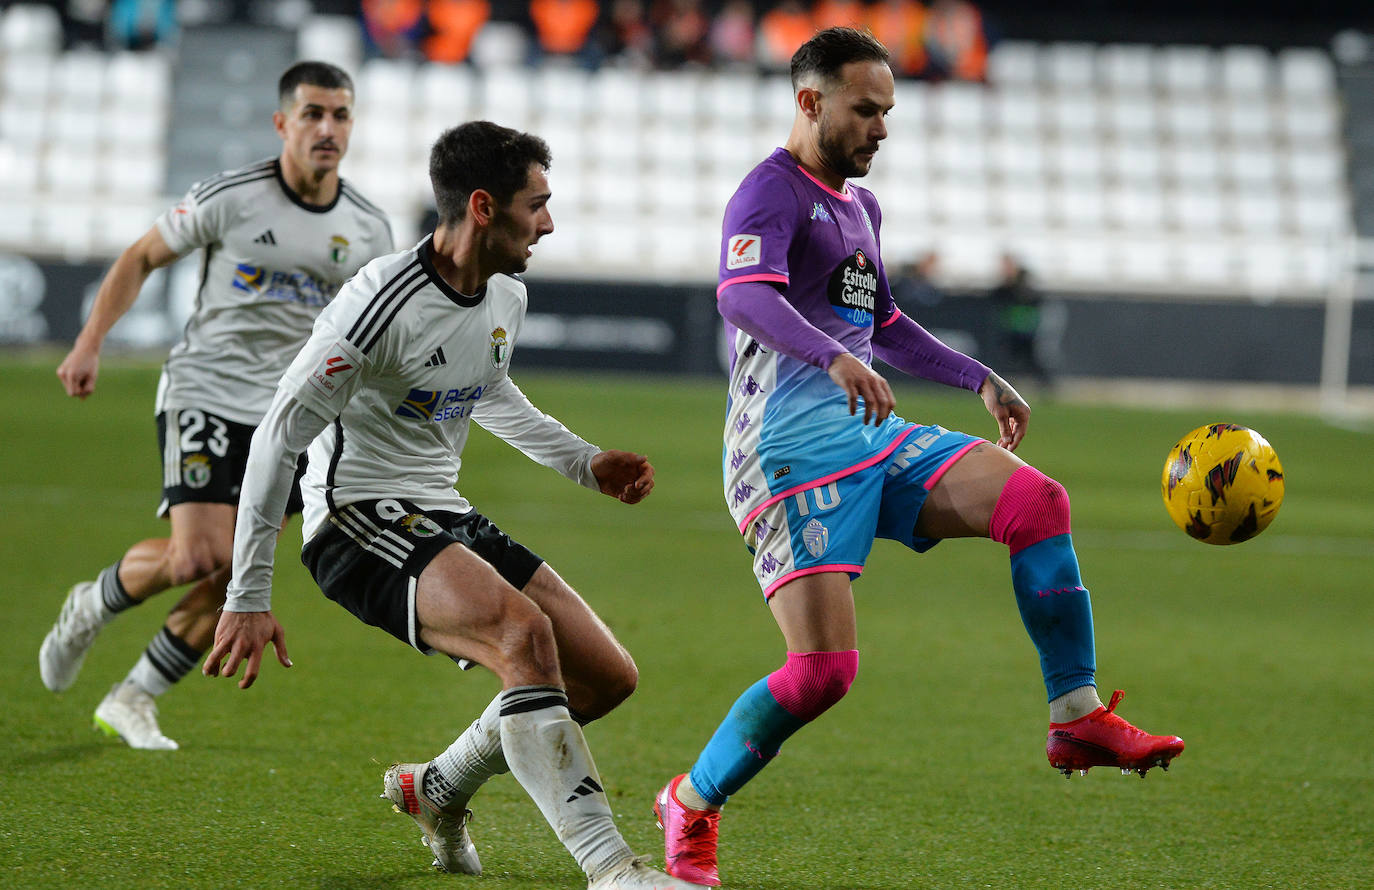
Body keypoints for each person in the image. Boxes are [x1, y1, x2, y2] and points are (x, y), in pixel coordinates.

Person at [652, 28, 1184, 887]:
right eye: (866, 110)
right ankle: (691, 802)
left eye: (888, 111)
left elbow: (885, 324)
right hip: (786, 455)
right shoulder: (768, 192)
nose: (882, 129)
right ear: (809, 101)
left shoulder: (862, 210)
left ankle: (1075, 713)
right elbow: (743, 295)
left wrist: (979, 377)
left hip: (874, 435)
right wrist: (830, 356)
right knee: (822, 675)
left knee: (1035, 503)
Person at [201, 121, 700, 890]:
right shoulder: (377, 303)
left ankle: (437, 789)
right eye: (536, 205)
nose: (549, 223)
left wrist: (583, 462)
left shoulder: (506, 294)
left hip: (442, 512)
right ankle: (611, 869)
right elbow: (278, 434)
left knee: (603, 678)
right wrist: (247, 592)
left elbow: (488, 387)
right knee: (523, 633)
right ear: (481, 207)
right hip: (355, 518)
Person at [40, 61, 393, 750]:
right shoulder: (233, 197)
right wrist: (89, 342)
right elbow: (141, 255)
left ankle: (135, 695)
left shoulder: (369, 228)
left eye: (341, 115)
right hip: (207, 388)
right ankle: (92, 604)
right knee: (196, 557)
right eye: (314, 113)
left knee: (239, 571)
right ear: (282, 123)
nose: (328, 128)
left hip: (293, 416)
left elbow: (374, 331)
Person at [989, 251, 1051, 388]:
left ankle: (1046, 385)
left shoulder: (1023, 282)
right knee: (1008, 358)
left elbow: (1034, 300)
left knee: (1032, 359)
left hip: (1026, 329)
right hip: (1012, 329)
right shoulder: (1005, 287)